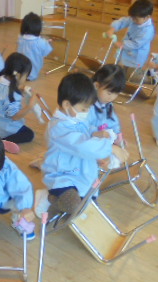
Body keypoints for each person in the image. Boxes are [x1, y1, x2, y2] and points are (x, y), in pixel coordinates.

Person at [37, 73, 128, 220]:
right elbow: (82, 145)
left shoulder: (74, 116)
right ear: (67, 105)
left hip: (80, 170)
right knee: (73, 206)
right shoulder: (58, 127)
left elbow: (86, 129)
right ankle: (47, 197)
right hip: (62, 175)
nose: (86, 113)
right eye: (84, 109)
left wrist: (97, 133)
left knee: (89, 201)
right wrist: (111, 148)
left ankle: (72, 199)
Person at [0, 52, 39, 145]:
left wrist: (20, 87)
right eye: (25, 76)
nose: (25, 79)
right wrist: (30, 105)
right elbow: (15, 117)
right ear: (18, 75)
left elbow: (3, 94)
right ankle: (2, 142)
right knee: (29, 134)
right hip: (3, 129)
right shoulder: (12, 93)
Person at [105, 0, 155, 79]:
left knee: (132, 75)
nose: (133, 20)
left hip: (137, 55)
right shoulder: (134, 19)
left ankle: (149, 79)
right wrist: (113, 28)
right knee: (121, 68)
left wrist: (121, 44)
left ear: (147, 17)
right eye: (132, 18)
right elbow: (123, 21)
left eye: (136, 19)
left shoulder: (148, 30)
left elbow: (136, 44)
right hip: (126, 50)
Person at [17, 12, 53, 80]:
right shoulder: (40, 42)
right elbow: (46, 52)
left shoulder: (20, 38)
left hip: (20, 69)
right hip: (33, 72)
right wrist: (48, 43)